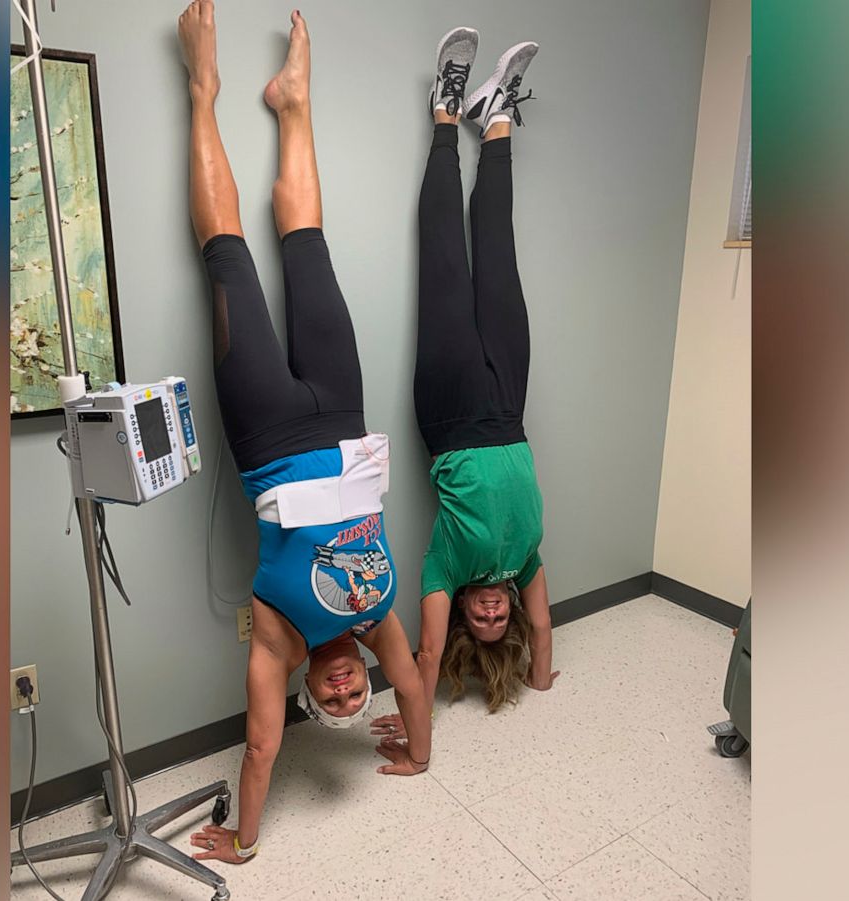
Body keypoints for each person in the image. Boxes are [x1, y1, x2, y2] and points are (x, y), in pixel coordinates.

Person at [175, 1, 432, 866]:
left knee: (228, 254)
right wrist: (420, 749)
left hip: (267, 436)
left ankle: (202, 88)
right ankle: (295, 102)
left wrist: (245, 841)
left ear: (312, 701)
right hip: (344, 412)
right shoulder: (378, 618)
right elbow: (413, 679)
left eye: (339, 703)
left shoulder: (279, 642)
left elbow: (258, 751)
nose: (351, 689)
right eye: (359, 691)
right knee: (310, 245)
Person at [374, 30, 559, 746]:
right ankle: (500, 117)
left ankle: (446, 114)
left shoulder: (445, 564)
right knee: (500, 250)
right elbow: (543, 627)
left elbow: (421, 654)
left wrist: (419, 742)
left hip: (450, 412)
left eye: (476, 621)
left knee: (446, 258)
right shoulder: (527, 559)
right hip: (510, 406)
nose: (488, 615)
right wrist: (539, 680)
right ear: (507, 606)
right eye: (496, 618)